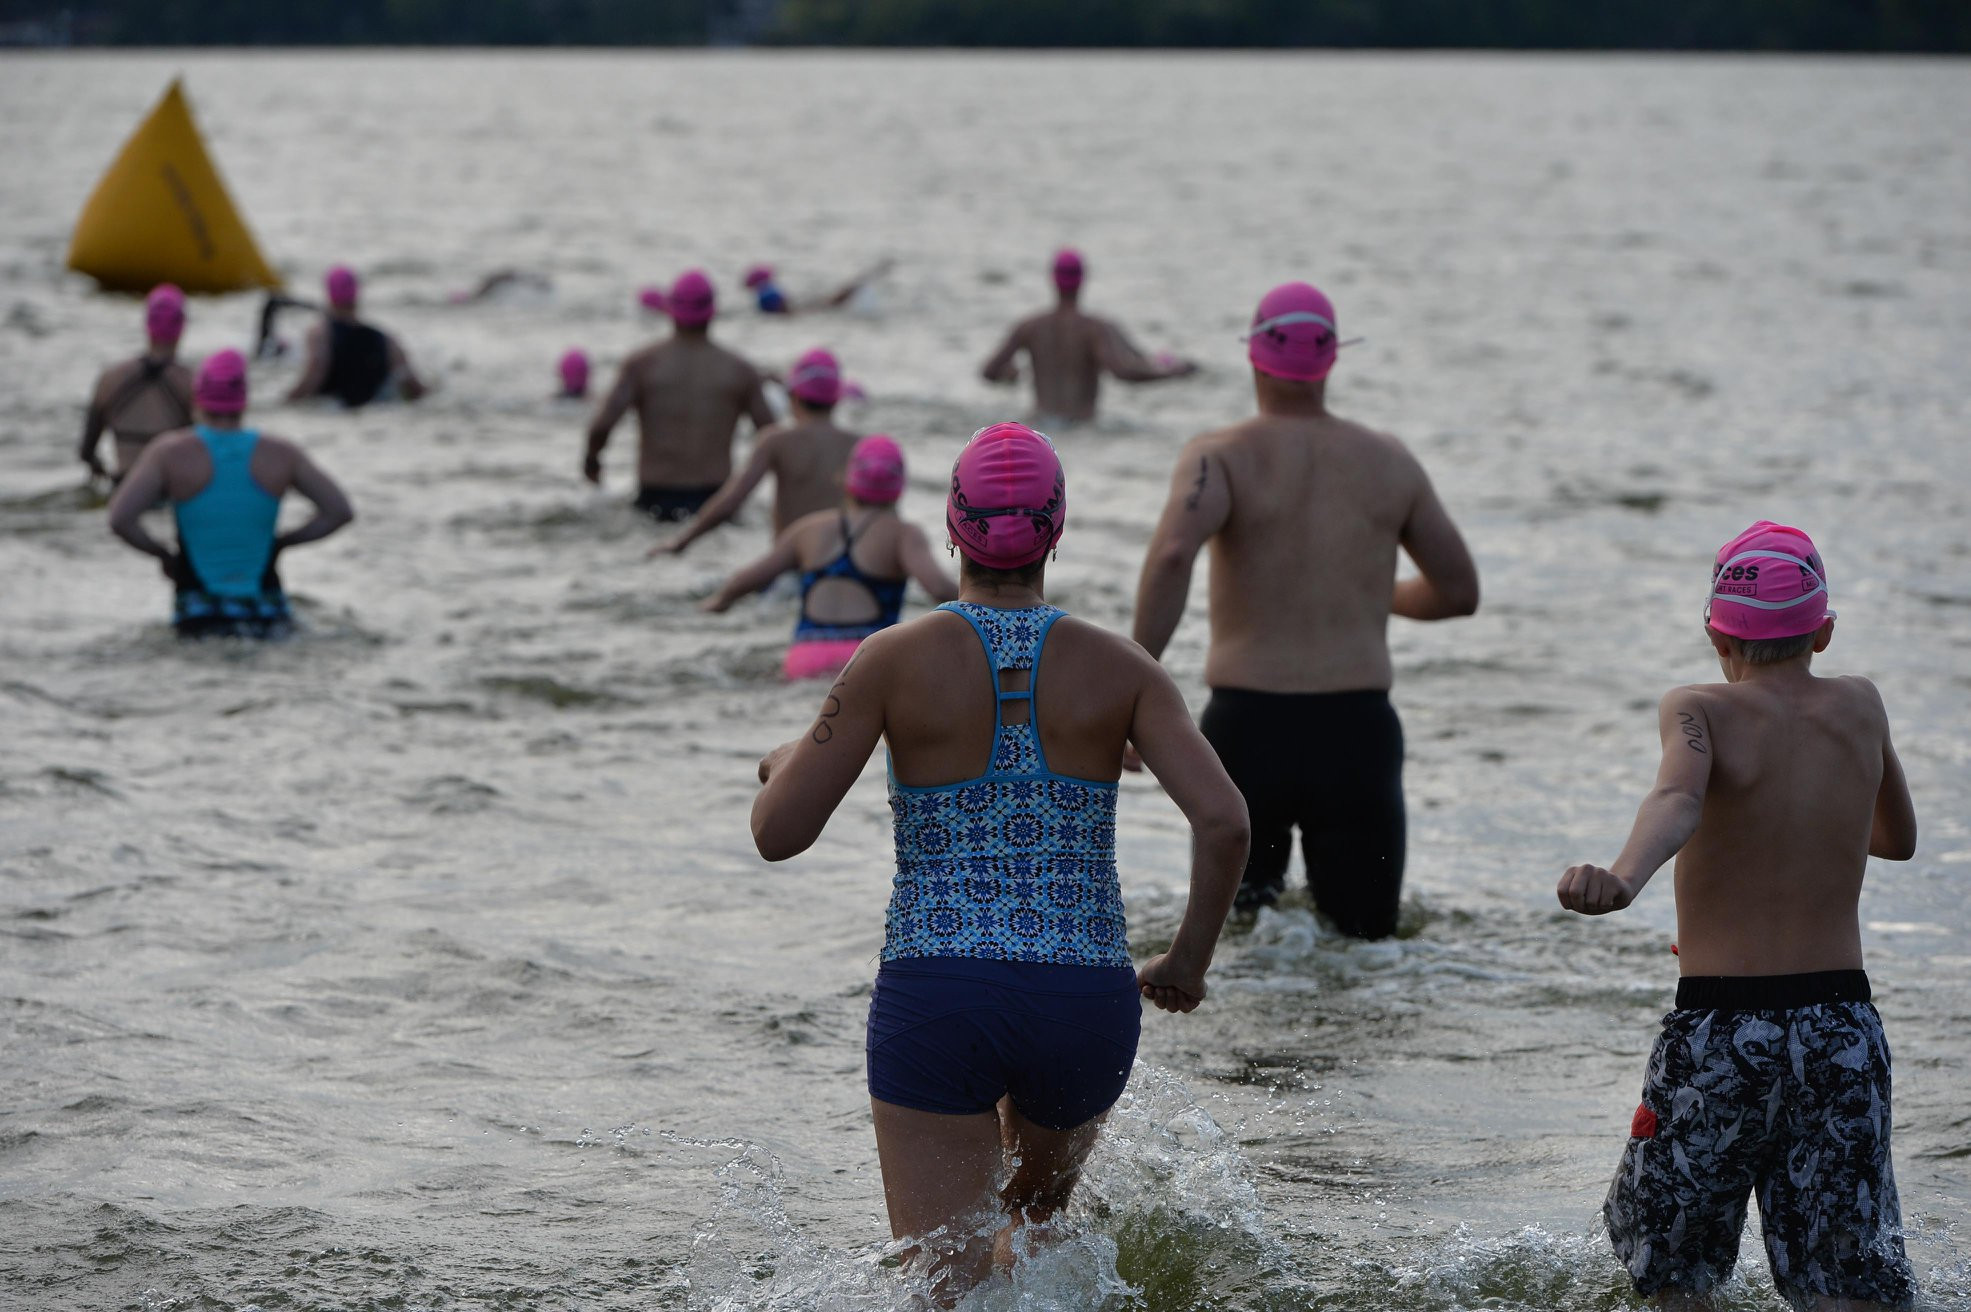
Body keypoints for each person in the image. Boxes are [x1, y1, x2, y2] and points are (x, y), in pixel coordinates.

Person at [749, 422, 1249, 1302]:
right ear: (1056, 531)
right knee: (1041, 1248)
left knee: (948, 1289)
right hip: (1083, 1001)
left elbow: (778, 832)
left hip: (939, 993)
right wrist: (1186, 963)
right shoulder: (1123, 668)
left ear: (951, 526)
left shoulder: (890, 659)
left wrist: (781, 766)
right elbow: (1223, 823)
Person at [1558, 520, 1918, 1311]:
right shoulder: (1860, 704)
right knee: (1846, 1283)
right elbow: (1896, 838)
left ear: (1715, 635)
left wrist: (1624, 878)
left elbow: (1677, 797)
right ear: (1822, 631)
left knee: (1674, 1273)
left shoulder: (1697, 709)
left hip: (1721, 1034)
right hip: (1840, 1030)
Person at [1131, 281, 1478, 934]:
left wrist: (1135, 684)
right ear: (1331, 360)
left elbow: (1175, 551)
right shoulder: (1388, 460)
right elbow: (1458, 592)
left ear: (1254, 358)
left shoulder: (1219, 456)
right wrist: (1372, 594)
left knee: (1238, 941)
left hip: (1245, 729)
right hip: (1356, 734)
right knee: (1364, 943)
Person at [108, 349, 355, 639]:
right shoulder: (281, 454)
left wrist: (163, 554)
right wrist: (284, 542)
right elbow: (339, 512)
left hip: (198, 611)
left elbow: (120, 519)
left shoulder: (169, 453)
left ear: (199, 397)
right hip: (267, 611)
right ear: (244, 401)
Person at [702, 435, 957, 680]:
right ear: (900, 487)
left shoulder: (808, 530)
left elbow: (745, 580)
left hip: (805, 657)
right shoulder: (903, 534)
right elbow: (937, 586)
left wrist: (718, 602)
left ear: (846, 480)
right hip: (869, 657)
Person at [584, 268, 775, 521]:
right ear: (712, 311)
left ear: (670, 309)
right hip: (717, 500)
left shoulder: (642, 365)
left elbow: (602, 426)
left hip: (654, 498)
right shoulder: (739, 370)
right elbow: (771, 435)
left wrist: (592, 462)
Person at [655, 347, 861, 555]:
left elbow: (732, 500)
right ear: (837, 399)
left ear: (794, 396)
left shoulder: (776, 441)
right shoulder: (858, 445)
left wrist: (682, 541)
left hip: (790, 560)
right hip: (840, 560)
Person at [979, 248, 1194, 424]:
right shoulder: (1096, 329)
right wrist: (1171, 374)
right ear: (1083, 279)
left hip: (1040, 422)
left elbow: (989, 371)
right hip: (1082, 426)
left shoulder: (1030, 327)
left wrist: (1010, 376)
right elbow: (1123, 371)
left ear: (1052, 279)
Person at [79, 283, 195, 482]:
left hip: (122, 483)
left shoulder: (109, 379)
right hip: (168, 488)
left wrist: (102, 473)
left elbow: (86, 452)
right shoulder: (192, 383)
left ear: (147, 324)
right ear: (182, 327)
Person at [286, 265, 427, 408]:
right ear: (357, 293)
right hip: (375, 411)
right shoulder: (386, 339)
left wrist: (286, 402)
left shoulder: (320, 334)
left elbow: (314, 377)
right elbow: (415, 388)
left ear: (329, 294)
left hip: (332, 412)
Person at [743, 258, 894, 315]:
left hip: (818, 306)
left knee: (844, 292)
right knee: (845, 292)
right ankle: (875, 272)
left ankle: (874, 272)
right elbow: (838, 297)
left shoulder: (795, 308)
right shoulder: (798, 311)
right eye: (782, 298)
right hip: (822, 308)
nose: (786, 297)